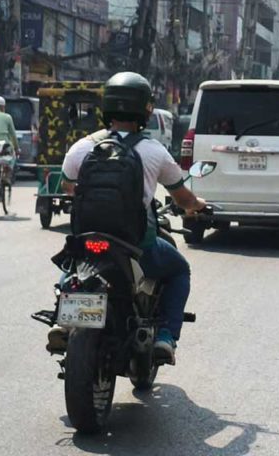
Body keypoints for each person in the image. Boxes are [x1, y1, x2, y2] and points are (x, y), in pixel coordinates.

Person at [58, 72, 206, 363]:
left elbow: (68, 185)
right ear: (146, 110)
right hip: (135, 244)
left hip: (88, 239)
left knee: (73, 265)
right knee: (179, 271)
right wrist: (198, 205)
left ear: (107, 106)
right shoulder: (154, 151)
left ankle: (62, 321)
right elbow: (183, 199)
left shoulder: (82, 147)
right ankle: (166, 337)